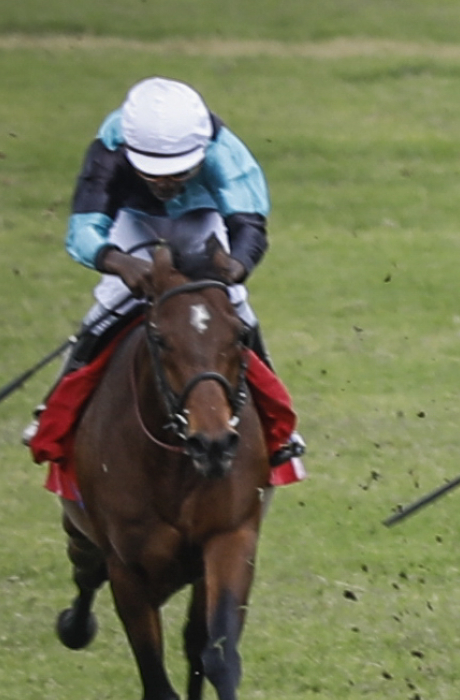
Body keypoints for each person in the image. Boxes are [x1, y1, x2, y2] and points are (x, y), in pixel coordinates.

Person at [27, 77, 295, 464]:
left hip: (202, 220)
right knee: (107, 306)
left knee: (236, 309)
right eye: (153, 173)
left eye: (180, 172)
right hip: (134, 222)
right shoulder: (110, 148)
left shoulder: (224, 151)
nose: (166, 182)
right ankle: (53, 412)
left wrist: (232, 269)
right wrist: (119, 262)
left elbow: (249, 227)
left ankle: (278, 428)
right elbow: (83, 230)